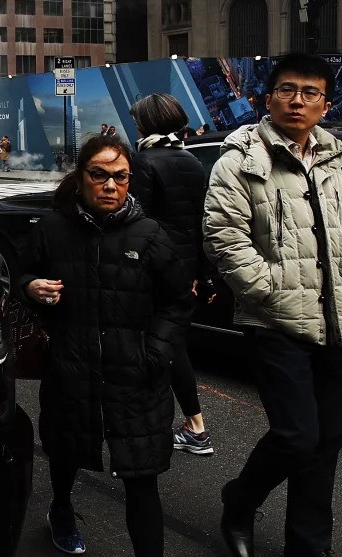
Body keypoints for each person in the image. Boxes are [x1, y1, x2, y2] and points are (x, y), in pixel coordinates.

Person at [203, 53, 342, 557]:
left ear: (324, 103)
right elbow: (225, 236)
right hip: (277, 322)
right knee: (298, 437)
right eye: (288, 90)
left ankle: (309, 546)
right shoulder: (239, 160)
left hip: (339, 318)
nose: (298, 101)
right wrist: (269, 293)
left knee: (328, 444)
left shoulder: (335, 154)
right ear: (267, 96)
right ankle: (241, 499)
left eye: (311, 92)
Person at [16, 134, 192, 557]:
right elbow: (20, 275)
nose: (110, 186)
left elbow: (177, 301)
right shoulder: (53, 229)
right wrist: (30, 287)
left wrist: (156, 352)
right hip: (71, 369)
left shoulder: (150, 235)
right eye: (99, 176)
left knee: (141, 476)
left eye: (121, 177)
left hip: (136, 377)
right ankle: (60, 509)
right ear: (80, 179)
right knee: (65, 451)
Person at [130, 93, 213, 456]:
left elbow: (138, 222)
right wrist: (204, 274)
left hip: (155, 271)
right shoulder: (191, 160)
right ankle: (192, 425)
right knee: (173, 343)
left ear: (146, 124)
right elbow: (203, 224)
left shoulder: (144, 161)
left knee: (162, 346)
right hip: (185, 271)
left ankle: (193, 427)